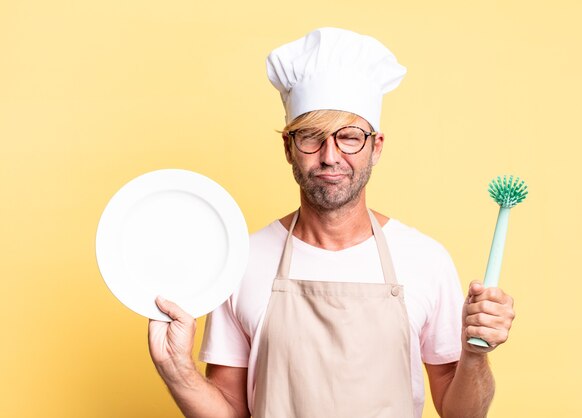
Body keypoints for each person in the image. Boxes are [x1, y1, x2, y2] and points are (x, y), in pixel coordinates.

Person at [148, 27, 515, 418]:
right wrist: (177, 371)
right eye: (311, 136)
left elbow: (463, 414)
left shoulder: (425, 259)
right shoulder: (242, 260)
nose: (330, 156)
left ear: (376, 148)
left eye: (349, 136)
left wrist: (475, 359)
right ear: (289, 148)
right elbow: (231, 412)